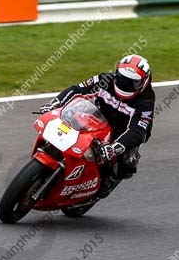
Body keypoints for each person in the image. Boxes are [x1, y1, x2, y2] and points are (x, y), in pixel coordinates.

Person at [39, 54, 155, 198]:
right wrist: (54, 103)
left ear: (143, 82)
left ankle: (110, 180)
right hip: (97, 118)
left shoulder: (146, 101)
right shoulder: (105, 80)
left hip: (123, 133)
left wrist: (113, 148)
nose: (125, 84)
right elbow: (77, 89)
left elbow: (138, 131)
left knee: (127, 163)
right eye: (122, 78)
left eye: (132, 82)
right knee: (67, 120)